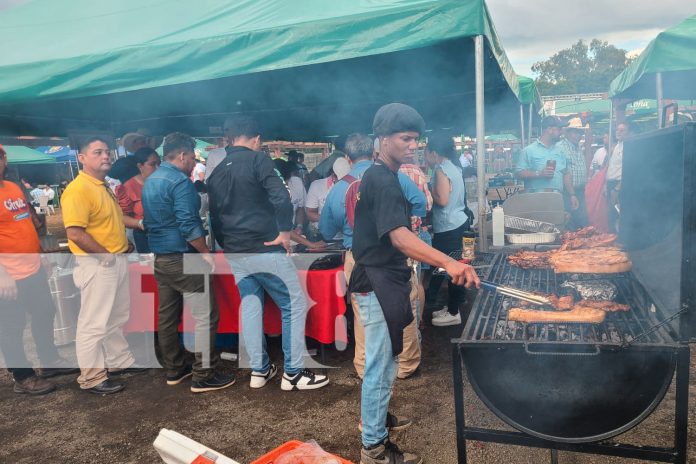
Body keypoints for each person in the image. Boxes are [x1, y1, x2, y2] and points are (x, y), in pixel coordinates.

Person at [351, 103, 479, 464]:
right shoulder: (380, 179)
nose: (413, 146)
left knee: (388, 357)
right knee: (380, 364)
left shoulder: (385, 176)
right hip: (375, 280)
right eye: (405, 139)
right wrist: (448, 261)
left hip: (384, 278)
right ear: (383, 139)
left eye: (416, 140)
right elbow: (399, 237)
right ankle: (374, 449)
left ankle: (376, 421)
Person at [207, 115, 329, 391]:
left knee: (250, 304)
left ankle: (259, 371)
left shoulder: (215, 171)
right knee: (293, 304)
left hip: (235, 250)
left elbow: (214, 214)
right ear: (257, 139)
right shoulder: (257, 159)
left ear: (229, 138)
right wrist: (285, 233)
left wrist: (228, 242)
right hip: (264, 247)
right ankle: (294, 373)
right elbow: (282, 197)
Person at [320, 133, 426, 379]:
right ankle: (407, 365)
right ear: (375, 151)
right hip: (394, 253)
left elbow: (326, 231)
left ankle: (364, 365)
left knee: (364, 314)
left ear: (347, 157)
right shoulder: (393, 177)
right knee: (404, 307)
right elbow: (420, 203)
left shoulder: (338, 188)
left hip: (358, 258)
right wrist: (404, 222)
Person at [142, 133, 235, 393]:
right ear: (181, 155)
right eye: (193, 158)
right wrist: (205, 252)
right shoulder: (180, 182)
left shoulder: (150, 181)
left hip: (161, 259)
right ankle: (203, 374)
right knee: (205, 316)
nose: (195, 163)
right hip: (185, 258)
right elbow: (188, 224)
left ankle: (174, 368)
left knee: (167, 316)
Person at [61, 136, 147, 395]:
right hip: (98, 263)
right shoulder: (78, 189)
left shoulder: (102, 186)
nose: (106, 156)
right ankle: (91, 376)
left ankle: (120, 361)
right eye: (97, 152)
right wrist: (104, 255)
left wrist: (139, 226)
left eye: (107, 152)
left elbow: (115, 218)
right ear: (82, 158)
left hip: (115, 259)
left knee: (116, 316)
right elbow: (74, 233)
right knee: (93, 322)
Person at [0, 144, 79, 395]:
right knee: (11, 327)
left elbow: (27, 225)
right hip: (8, 275)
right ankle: (22, 377)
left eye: (0, 156)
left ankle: (49, 360)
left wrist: (40, 255)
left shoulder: (12, 187)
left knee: (45, 311)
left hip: (32, 266)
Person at [424, 133, 472, 327]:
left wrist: (428, 189)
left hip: (448, 228)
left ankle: (453, 312)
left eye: (425, 153)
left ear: (434, 153)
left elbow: (442, 200)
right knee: (458, 264)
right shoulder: (454, 167)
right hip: (461, 223)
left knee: (449, 268)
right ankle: (455, 305)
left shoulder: (441, 170)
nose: (425, 158)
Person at [115, 147, 161, 253]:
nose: (158, 168)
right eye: (152, 164)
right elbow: (122, 217)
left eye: (159, 163)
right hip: (145, 237)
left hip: (169, 235)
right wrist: (140, 223)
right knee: (149, 268)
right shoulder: (128, 187)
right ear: (140, 166)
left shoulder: (164, 182)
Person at [515, 116, 572, 196]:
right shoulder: (528, 150)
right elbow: (518, 174)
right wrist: (539, 174)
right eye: (559, 129)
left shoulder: (561, 151)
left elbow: (566, 174)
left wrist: (572, 195)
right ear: (549, 129)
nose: (561, 132)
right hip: (536, 198)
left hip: (557, 197)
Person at [556, 117, 589, 229]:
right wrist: (571, 194)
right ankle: (571, 246)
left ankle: (581, 245)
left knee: (582, 223)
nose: (577, 135)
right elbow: (562, 172)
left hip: (580, 191)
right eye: (574, 132)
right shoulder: (560, 147)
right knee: (570, 224)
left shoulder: (578, 147)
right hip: (567, 192)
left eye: (579, 132)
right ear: (567, 133)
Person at [605, 122, 631, 232]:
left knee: (619, 214)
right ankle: (613, 240)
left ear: (628, 133)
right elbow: (610, 167)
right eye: (617, 130)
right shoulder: (616, 146)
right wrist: (605, 186)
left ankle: (620, 239)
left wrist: (616, 189)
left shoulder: (629, 147)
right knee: (611, 214)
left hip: (619, 185)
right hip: (611, 184)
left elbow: (627, 171)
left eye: (622, 130)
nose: (618, 132)